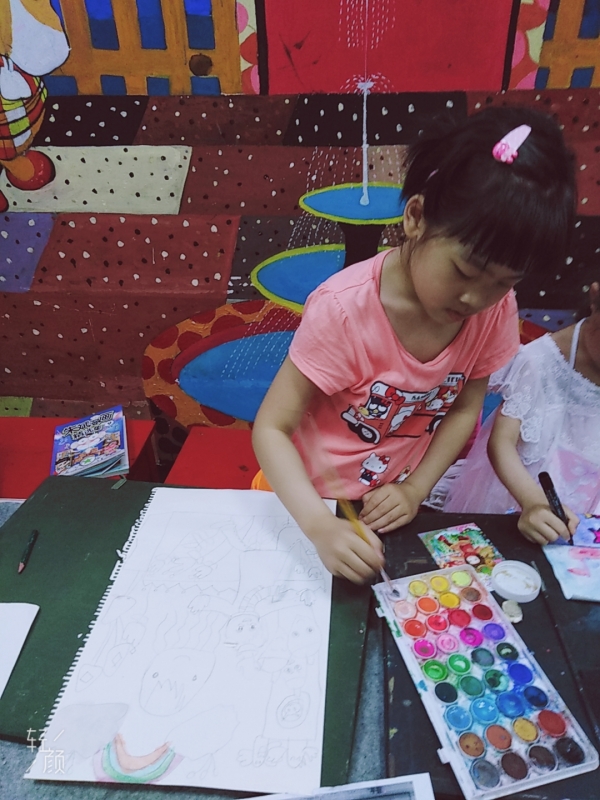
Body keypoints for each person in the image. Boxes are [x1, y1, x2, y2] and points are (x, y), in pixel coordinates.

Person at [252, 106, 576, 584]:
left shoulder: (494, 310)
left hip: (387, 505)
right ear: (416, 217)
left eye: (504, 282)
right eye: (464, 272)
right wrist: (319, 525)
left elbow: (465, 408)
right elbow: (271, 428)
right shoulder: (344, 310)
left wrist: (415, 489)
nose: (475, 299)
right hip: (304, 501)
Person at [443, 280, 600, 545]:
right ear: (595, 298)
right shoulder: (539, 361)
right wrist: (533, 502)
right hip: (519, 498)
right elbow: (502, 442)